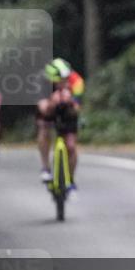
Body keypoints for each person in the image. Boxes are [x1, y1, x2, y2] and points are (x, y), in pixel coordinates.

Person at [37, 58, 84, 201]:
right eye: (60, 80)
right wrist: (53, 101)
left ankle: (70, 179)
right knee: (44, 129)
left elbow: (76, 110)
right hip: (49, 110)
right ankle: (45, 168)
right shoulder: (42, 83)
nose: (64, 82)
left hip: (68, 111)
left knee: (71, 146)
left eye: (66, 79)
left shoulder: (76, 82)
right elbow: (43, 109)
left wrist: (69, 101)